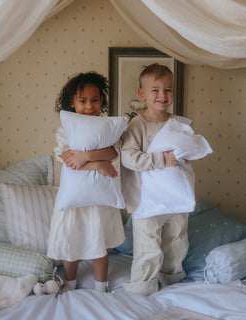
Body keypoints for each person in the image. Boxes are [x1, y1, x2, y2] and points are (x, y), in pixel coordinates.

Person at [47, 71, 125, 293]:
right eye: (83, 101)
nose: (89, 106)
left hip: (98, 197)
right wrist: (97, 165)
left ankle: (102, 285)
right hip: (74, 196)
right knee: (71, 238)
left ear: (101, 101)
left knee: (98, 240)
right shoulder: (66, 130)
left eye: (94, 100)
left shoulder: (105, 127)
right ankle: (70, 283)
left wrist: (89, 156)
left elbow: (111, 152)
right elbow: (68, 160)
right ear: (72, 102)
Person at [121, 63, 190, 296]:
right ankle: (142, 287)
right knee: (148, 244)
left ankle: (172, 279)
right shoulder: (137, 125)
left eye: (168, 90)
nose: (162, 95)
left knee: (177, 239)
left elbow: (186, 153)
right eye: (155, 90)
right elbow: (128, 158)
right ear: (142, 94)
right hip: (146, 199)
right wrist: (160, 159)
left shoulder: (179, 123)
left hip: (174, 195)